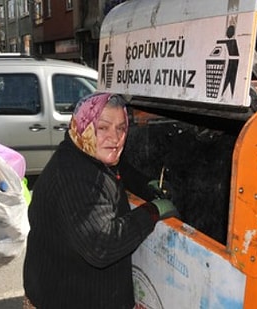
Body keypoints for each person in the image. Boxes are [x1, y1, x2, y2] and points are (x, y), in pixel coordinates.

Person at [22, 92, 179, 308]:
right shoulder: (74, 176)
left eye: (121, 128)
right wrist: (152, 211)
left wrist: (146, 184)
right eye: (103, 127)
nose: (114, 138)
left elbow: (116, 168)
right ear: (84, 124)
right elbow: (102, 245)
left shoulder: (81, 153)